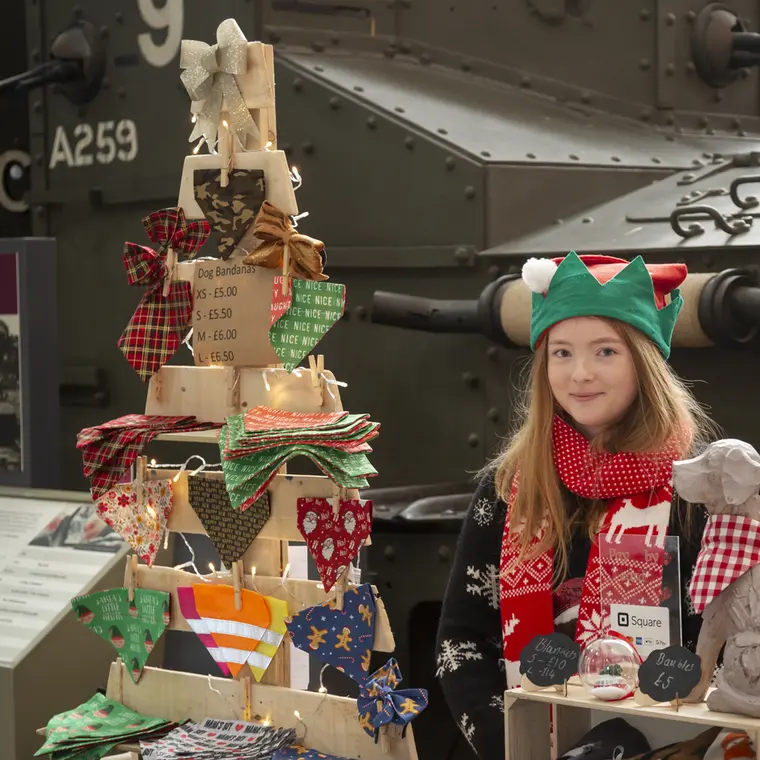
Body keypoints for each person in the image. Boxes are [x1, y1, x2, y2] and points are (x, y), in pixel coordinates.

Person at [435, 252, 716, 759]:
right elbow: (462, 644)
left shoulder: (696, 492)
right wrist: (515, 748)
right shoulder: (505, 491)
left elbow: (716, 640)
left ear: (645, 360)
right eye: (561, 353)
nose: (580, 373)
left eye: (605, 351)